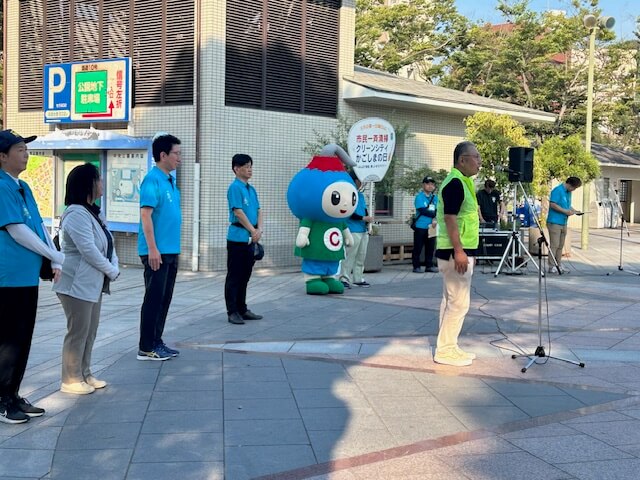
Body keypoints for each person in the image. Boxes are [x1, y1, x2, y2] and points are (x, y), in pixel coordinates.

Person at [0, 129, 64, 423]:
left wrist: (53, 257)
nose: (26, 154)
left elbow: (38, 226)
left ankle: (12, 394)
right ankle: (3, 400)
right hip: (8, 277)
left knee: (22, 338)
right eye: (20, 149)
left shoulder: (23, 186)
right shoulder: (2, 186)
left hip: (26, 277)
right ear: (2, 157)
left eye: (26, 149)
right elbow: (17, 230)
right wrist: (54, 255)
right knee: (8, 340)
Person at [54, 164, 120, 395]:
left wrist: (114, 264)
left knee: (90, 331)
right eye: (98, 179)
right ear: (87, 184)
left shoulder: (95, 212)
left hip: (92, 283)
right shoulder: (75, 213)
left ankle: (85, 373)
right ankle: (71, 379)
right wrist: (111, 270)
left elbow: (108, 243)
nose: (102, 183)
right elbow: (88, 250)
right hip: (75, 284)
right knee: (78, 331)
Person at [434, 141, 481, 367]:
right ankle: (445, 350)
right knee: (459, 303)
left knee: (450, 300)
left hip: (456, 250)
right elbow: (450, 219)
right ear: (462, 160)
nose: (479, 162)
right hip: (455, 252)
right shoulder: (455, 183)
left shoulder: (462, 181)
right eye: (476, 157)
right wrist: (460, 251)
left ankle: (449, 346)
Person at [137, 133, 182, 361]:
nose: (179, 158)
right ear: (163, 155)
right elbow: (146, 215)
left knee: (164, 299)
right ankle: (146, 347)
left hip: (171, 250)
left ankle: (156, 341)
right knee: (154, 299)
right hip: (157, 252)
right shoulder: (152, 180)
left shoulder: (170, 182)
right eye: (176, 153)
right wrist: (152, 249)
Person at [225, 154, 264, 325]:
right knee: (235, 275)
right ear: (236, 168)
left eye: (251, 166)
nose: (250, 169)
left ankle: (242, 308)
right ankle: (232, 311)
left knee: (245, 275)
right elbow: (238, 212)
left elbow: (259, 210)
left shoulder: (251, 189)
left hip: (251, 237)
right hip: (237, 238)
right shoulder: (235, 188)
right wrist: (252, 230)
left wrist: (259, 230)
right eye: (246, 166)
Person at [339, 171, 373, 288]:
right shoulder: (346, 195)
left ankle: (358, 278)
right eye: (360, 180)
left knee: (361, 256)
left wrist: (368, 223)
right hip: (352, 229)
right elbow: (348, 212)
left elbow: (364, 210)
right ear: (354, 181)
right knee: (350, 255)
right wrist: (363, 218)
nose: (361, 183)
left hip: (363, 229)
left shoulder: (361, 196)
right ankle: (344, 278)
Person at [546, 176, 582, 274]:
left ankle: (558, 264)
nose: (574, 190)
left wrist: (575, 211)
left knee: (560, 245)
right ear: (569, 185)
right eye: (574, 188)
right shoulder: (557, 190)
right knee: (554, 245)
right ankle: (551, 266)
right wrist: (565, 211)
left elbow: (567, 205)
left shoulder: (568, 193)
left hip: (563, 222)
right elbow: (553, 204)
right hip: (554, 221)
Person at [412, 176, 438, 273]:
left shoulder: (435, 198)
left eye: (432, 184)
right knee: (418, 247)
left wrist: (435, 218)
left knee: (430, 247)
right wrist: (434, 215)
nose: (430, 186)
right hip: (420, 226)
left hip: (432, 226)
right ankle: (416, 266)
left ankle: (429, 265)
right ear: (423, 185)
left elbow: (438, 210)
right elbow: (423, 211)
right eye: (428, 184)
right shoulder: (419, 197)